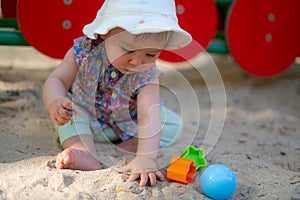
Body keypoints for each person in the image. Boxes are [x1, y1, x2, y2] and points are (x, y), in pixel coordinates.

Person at [42, 0, 191, 187]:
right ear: (105, 33)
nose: (137, 61)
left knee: (172, 124)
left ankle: (135, 143)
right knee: (69, 117)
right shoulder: (82, 53)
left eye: (151, 54)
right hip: (87, 116)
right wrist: (55, 101)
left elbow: (148, 114)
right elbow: (57, 81)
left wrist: (146, 158)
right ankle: (83, 150)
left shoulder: (147, 73)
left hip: (128, 122)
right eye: (128, 50)